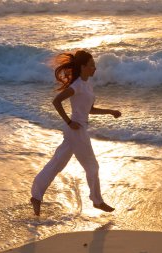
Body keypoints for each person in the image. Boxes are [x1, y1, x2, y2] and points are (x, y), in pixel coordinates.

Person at [30, 50, 121, 216]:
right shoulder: (77, 85)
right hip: (77, 130)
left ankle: (36, 196)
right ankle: (97, 201)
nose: (94, 68)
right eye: (92, 65)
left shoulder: (87, 85)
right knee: (92, 166)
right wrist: (69, 122)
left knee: (56, 164)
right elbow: (56, 101)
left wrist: (110, 111)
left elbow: (89, 109)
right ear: (83, 66)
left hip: (78, 129)